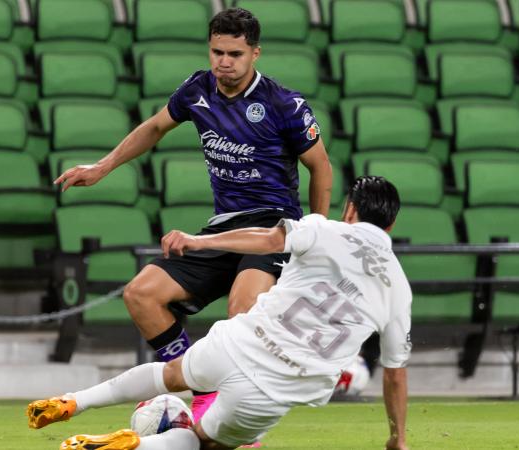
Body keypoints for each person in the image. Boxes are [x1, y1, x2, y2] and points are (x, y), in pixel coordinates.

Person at [53, 7, 332, 423]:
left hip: (272, 228)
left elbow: (321, 167)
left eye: (234, 54)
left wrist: (314, 233)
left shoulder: (283, 104)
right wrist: (101, 167)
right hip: (221, 230)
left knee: (242, 310)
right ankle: (203, 389)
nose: (223, 61)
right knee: (141, 294)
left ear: (255, 53)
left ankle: (238, 414)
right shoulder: (197, 90)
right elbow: (154, 128)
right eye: (217, 51)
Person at [27, 176, 412, 450]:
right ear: (391, 224)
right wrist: (398, 438)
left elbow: (268, 238)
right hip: (275, 386)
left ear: (350, 211)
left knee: (170, 374)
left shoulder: (322, 228)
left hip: (239, 341)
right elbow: (395, 376)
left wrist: (199, 240)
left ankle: (75, 401)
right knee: (202, 442)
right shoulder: (399, 289)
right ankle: (133, 446)